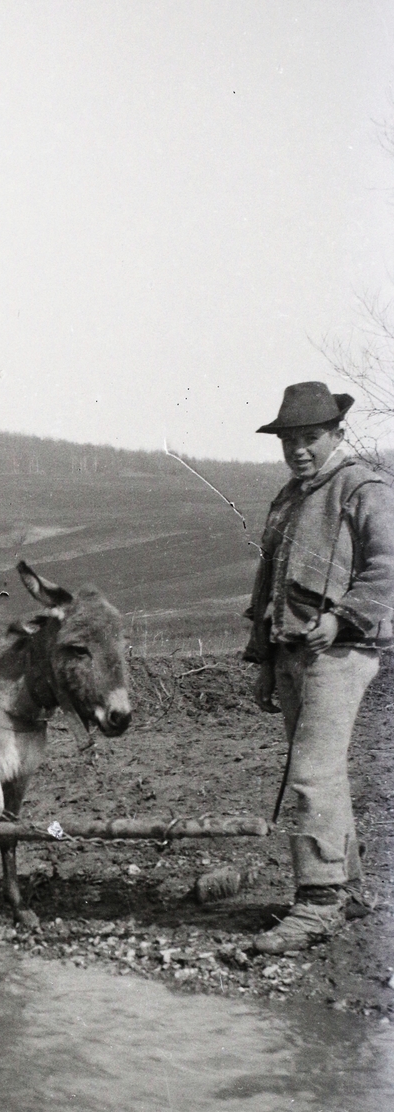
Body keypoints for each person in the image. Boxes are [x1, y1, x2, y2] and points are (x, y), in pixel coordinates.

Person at [244, 381, 394, 954]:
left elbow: (386, 568)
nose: (298, 450)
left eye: (310, 438)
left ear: (337, 433)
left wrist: (343, 618)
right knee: (323, 772)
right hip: (290, 656)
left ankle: (318, 905)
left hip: (341, 653)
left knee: (311, 774)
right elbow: (268, 586)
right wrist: (263, 660)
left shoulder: (364, 487)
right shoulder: (289, 497)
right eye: (289, 441)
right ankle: (347, 888)